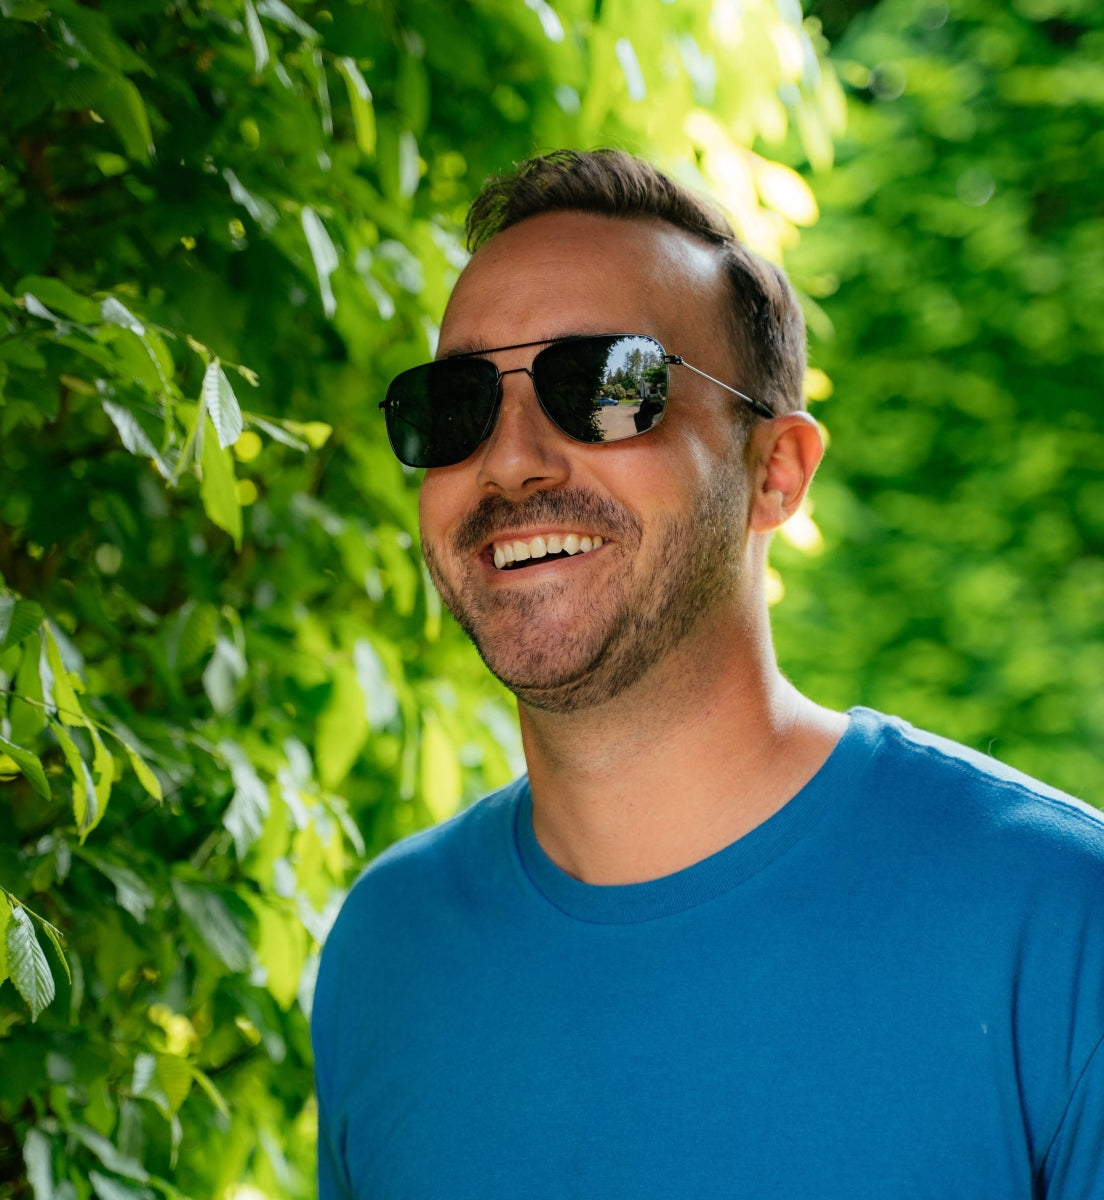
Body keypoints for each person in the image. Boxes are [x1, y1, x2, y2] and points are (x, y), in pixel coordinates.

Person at [311, 149, 1104, 1199]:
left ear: (776, 472)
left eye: (607, 387)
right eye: (454, 404)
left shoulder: (1060, 918)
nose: (508, 461)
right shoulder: (386, 949)